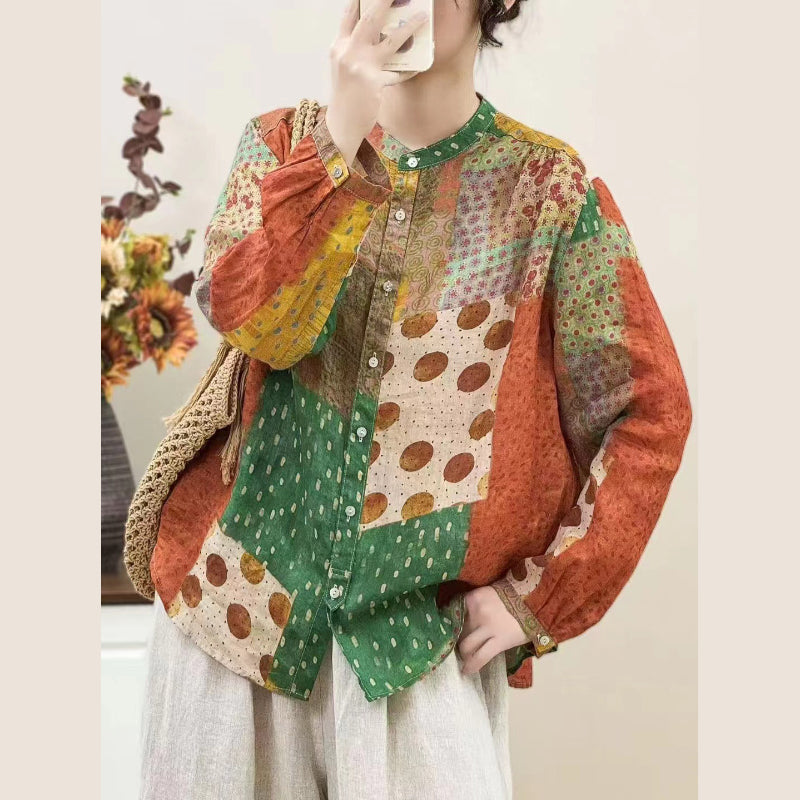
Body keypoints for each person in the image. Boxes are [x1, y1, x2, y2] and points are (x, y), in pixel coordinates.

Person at [138, 1, 692, 798]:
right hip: (231, 622)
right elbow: (258, 326)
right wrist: (337, 142)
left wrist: (541, 598)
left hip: (413, 650)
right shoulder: (281, 147)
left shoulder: (548, 192)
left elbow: (649, 410)